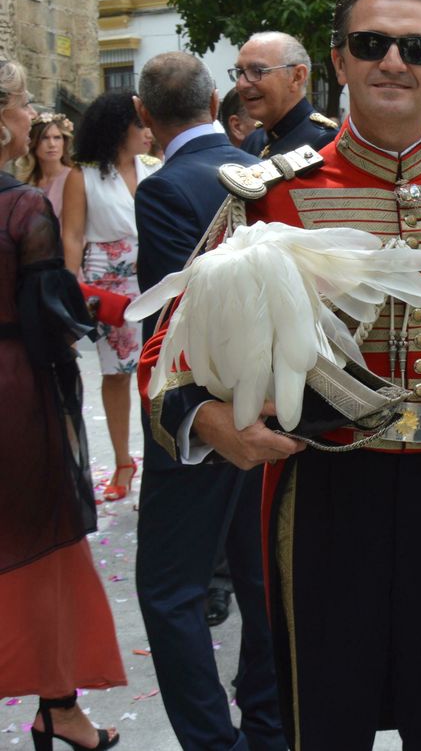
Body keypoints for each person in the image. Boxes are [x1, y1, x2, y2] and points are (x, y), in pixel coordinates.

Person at [142, 0, 421, 749]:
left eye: (416, 46)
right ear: (339, 60)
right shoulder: (271, 195)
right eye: (371, 44)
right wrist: (216, 424)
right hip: (321, 495)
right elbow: (165, 354)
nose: (394, 60)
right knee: (325, 729)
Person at [130, 53, 285, 751]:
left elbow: (171, 324)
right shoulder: (266, 170)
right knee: (259, 580)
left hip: (201, 414)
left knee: (169, 592)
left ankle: (211, 742)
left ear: (142, 117)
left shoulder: (166, 188)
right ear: (217, 98)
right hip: (272, 403)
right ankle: (267, 722)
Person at [0, 61, 127, 751]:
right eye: (23, 104)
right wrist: (111, 309)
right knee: (42, 546)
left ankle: (60, 708)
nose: (30, 116)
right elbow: (51, 310)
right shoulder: (22, 206)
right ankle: (58, 705)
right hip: (14, 393)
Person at [59, 90, 156, 504]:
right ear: (120, 130)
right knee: (116, 376)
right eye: (139, 124)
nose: (148, 132)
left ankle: (157, 459)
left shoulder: (154, 167)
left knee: (157, 374)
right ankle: (122, 460)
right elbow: (72, 236)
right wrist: (69, 291)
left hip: (151, 281)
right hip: (107, 288)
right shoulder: (83, 176)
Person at [233, 32, 339, 159]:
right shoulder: (252, 141)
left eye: (257, 71)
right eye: (240, 72)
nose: (241, 84)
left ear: (296, 77)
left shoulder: (324, 142)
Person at [23, 111, 74, 217]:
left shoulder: (73, 178)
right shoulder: (26, 180)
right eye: (44, 138)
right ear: (34, 142)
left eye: (57, 137)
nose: (52, 144)